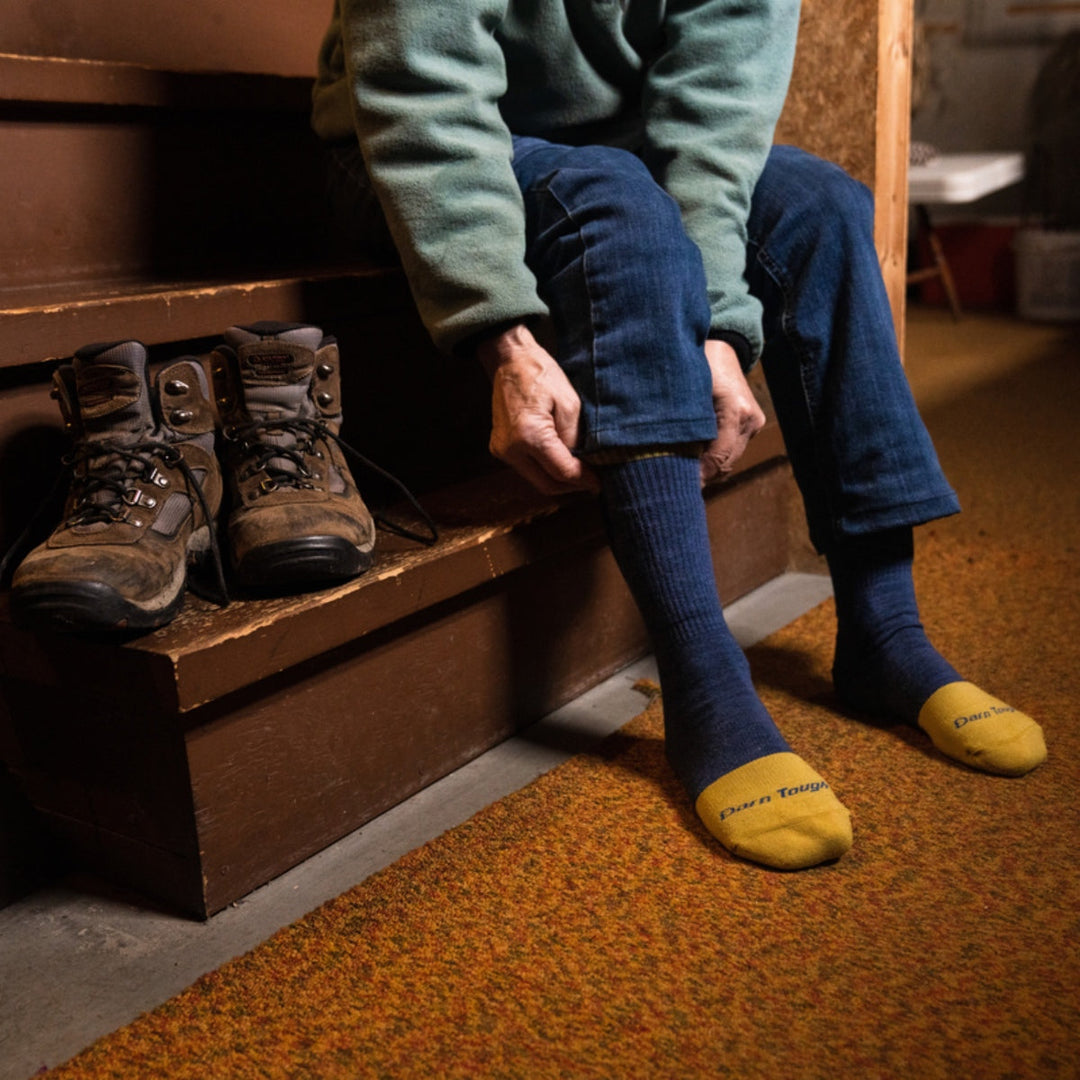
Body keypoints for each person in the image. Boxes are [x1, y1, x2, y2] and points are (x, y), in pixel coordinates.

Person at [310, 0, 1047, 870]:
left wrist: (721, 328)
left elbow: (715, 121)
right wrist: (499, 332)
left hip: (620, 150)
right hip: (420, 147)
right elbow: (422, 83)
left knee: (823, 208)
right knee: (616, 202)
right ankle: (704, 677)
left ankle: (885, 630)